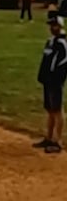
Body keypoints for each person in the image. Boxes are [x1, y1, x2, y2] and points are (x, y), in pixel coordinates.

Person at [37, 11, 66, 154]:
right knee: (50, 110)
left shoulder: (62, 43)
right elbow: (46, 61)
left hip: (55, 81)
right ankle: (48, 138)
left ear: (60, 26)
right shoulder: (50, 41)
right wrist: (42, 76)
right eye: (51, 25)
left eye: (54, 25)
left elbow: (63, 62)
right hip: (47, 81)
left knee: (57, 110)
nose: (52, 27)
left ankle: (57, 141)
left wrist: (57, 77)